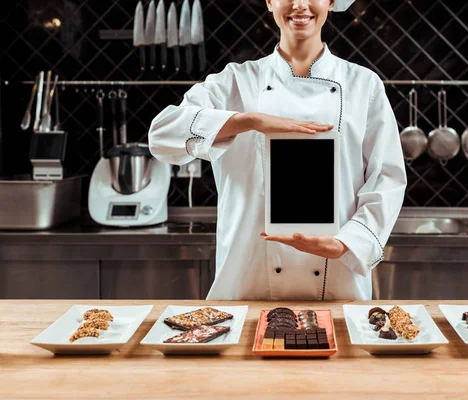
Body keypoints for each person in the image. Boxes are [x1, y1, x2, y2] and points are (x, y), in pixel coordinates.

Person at [148, 0, 407, 300]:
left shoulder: (364, 85)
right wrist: (249, 120)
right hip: (246, 285)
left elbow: (387, 180)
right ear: (270, 2)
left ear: (332, 2)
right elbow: (162, 133)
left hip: (337, 286)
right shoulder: (236, 81)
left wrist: (348, 244)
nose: (299, 5)